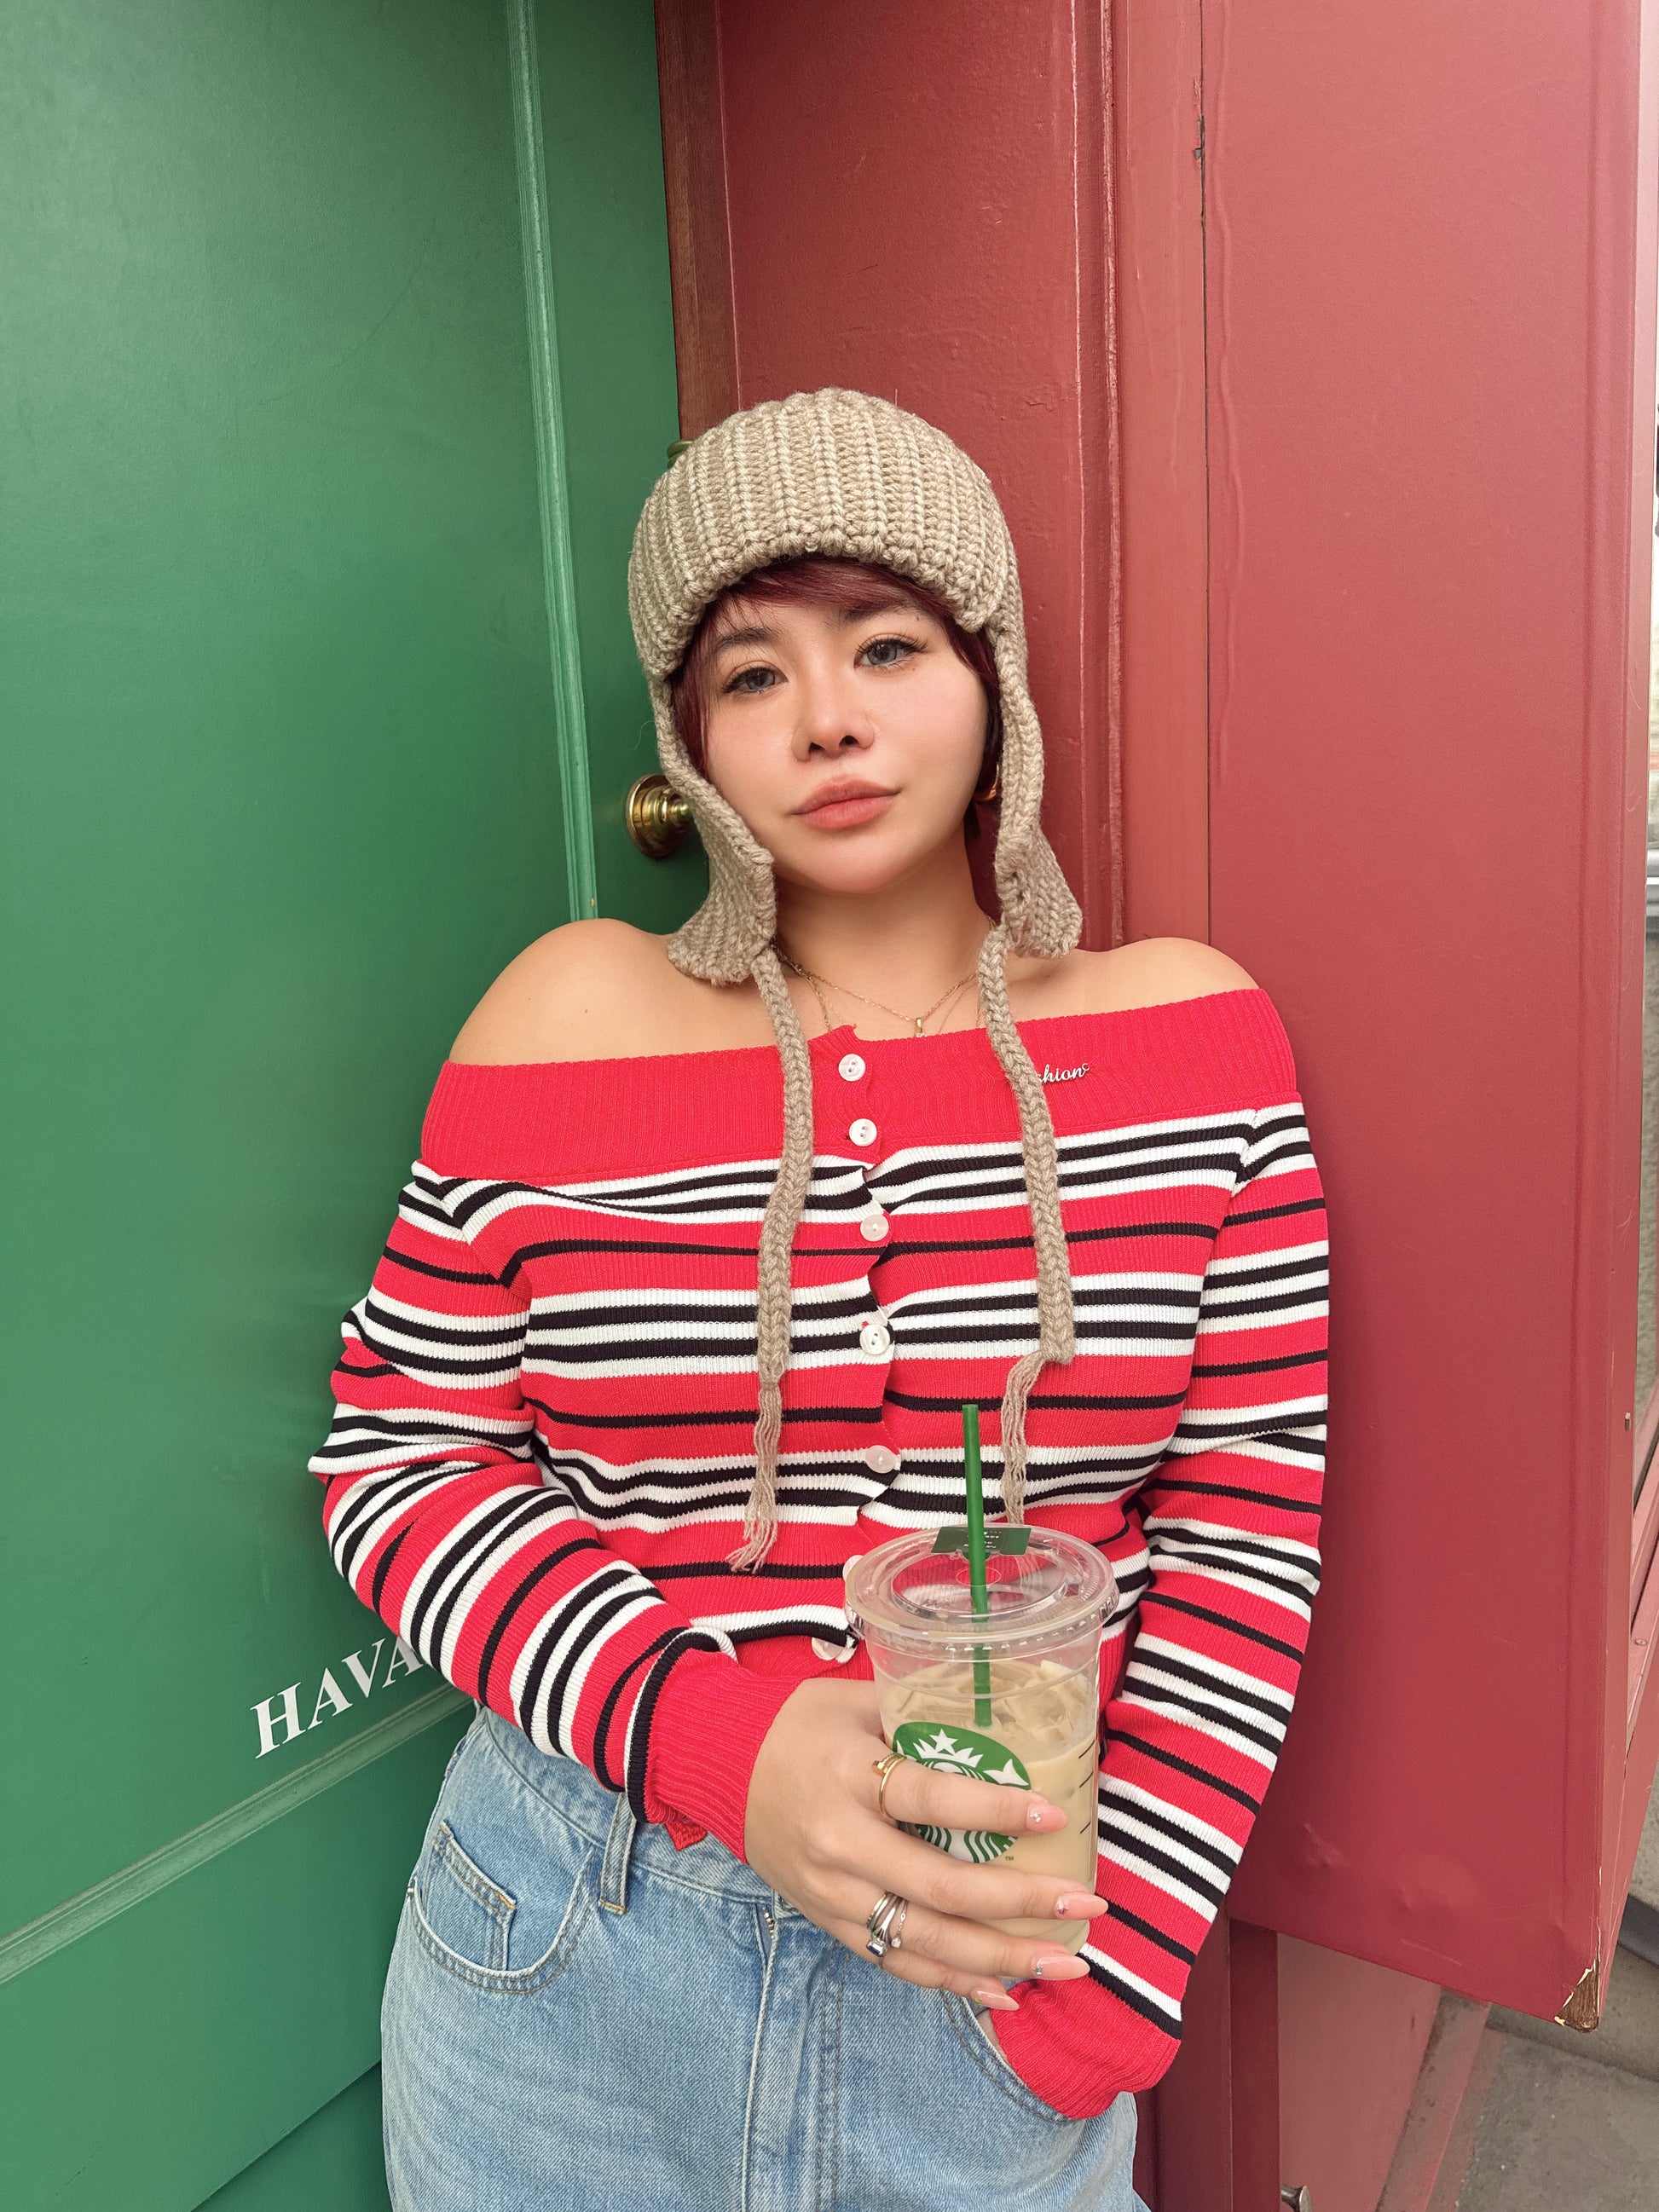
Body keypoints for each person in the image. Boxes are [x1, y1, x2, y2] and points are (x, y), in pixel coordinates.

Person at [310, 390, 1329, 2210]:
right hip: (569, 1952)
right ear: (688, 736)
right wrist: (715, 1741)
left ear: (990, 673)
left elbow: (1246, 1519)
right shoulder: (560, 1016)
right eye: (751, 673)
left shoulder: (1193, 1036)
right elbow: (398, 1464)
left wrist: (1112, 1973)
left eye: (885, 643)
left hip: (1001, 1954)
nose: (828, 718)